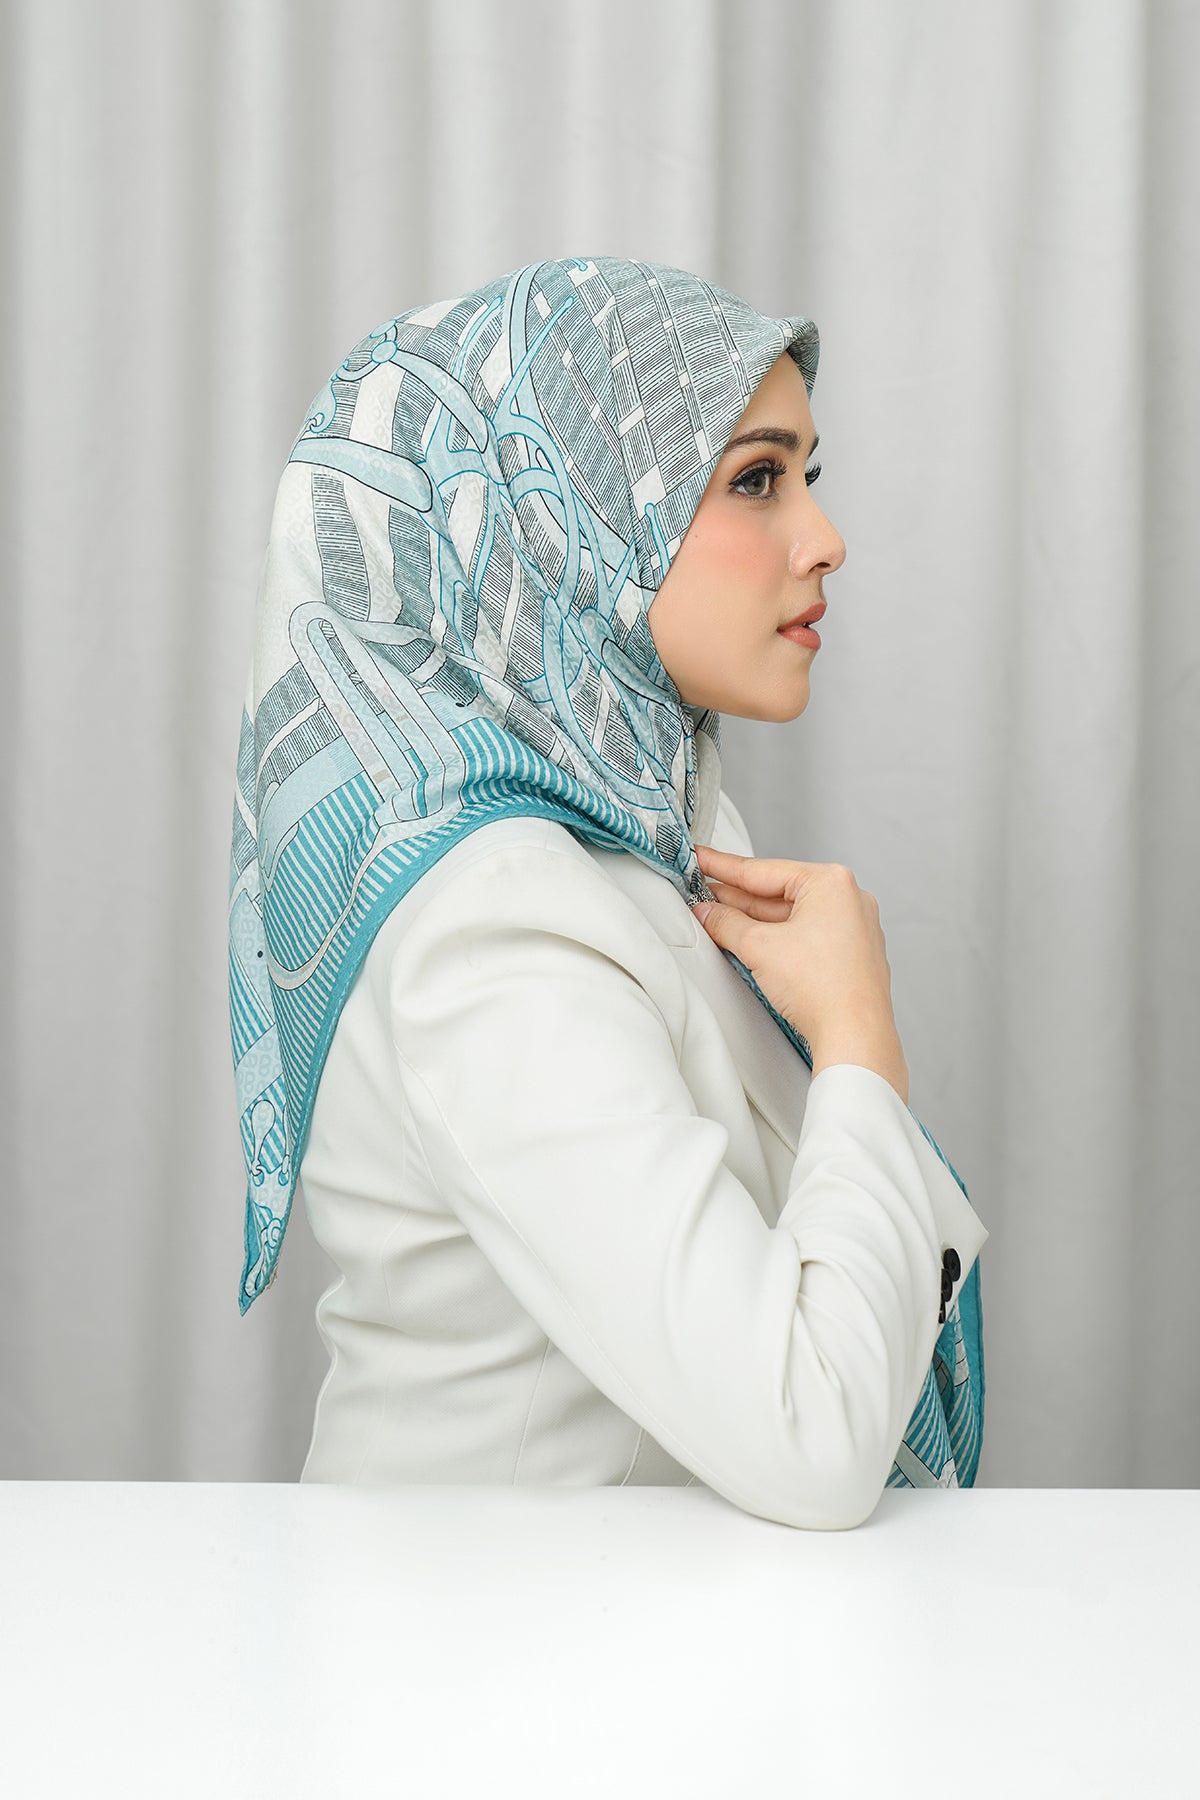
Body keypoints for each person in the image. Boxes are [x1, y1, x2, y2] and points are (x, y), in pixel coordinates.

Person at [227, 255, 988, 1529]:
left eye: (808, 476)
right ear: (560, 517)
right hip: (480, 1633)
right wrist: (859, 1037)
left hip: (629, 1618)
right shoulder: (494, 922)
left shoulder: (646, 837)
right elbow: (810, 1437)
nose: (825, 539)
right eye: (757, 480)